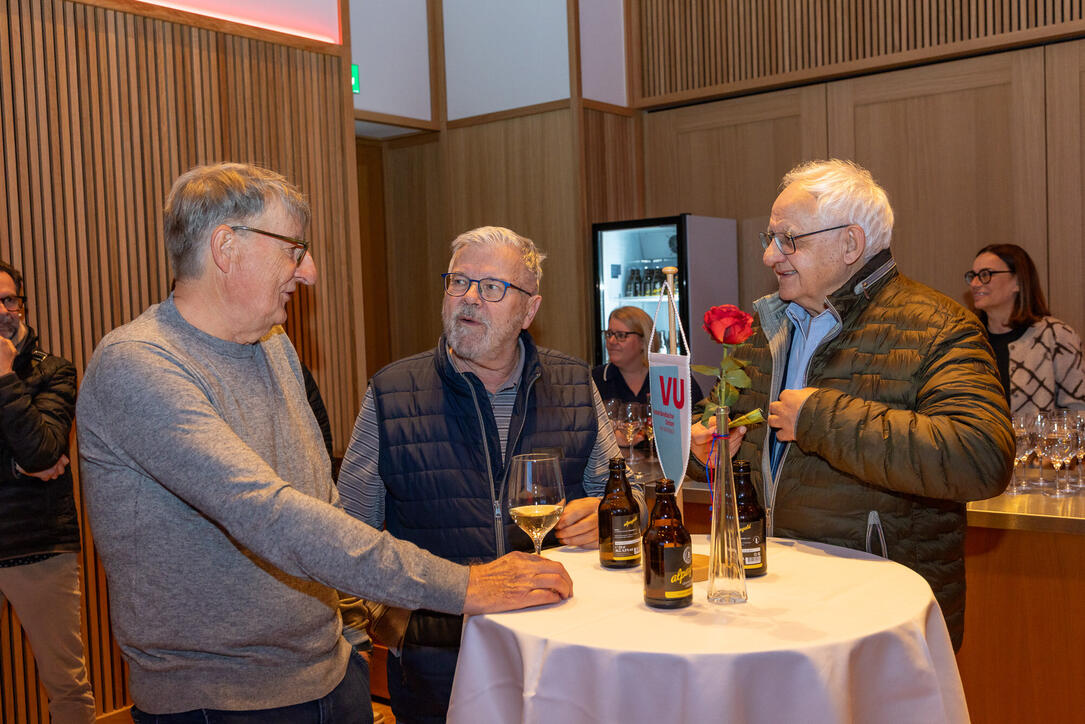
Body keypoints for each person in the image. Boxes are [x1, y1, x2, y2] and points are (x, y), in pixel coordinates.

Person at [75, 164, 573, 722]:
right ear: (226, 247)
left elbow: (324, 502)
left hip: (333, 676)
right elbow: (270, 515)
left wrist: (355, 636)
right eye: (293, 248)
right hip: (221, 704)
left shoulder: (273, 345)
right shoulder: (138, 366)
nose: (308, 271)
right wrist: (466, 585)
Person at [692, 159, 1014, 650]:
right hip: (767, 606)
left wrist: (821, 418)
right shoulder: (762, 329)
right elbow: (727, 427)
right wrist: (704, 444)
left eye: (788, 239)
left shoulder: (939, 327)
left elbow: (980, 457)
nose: (770, 256)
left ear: (850, 244)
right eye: (769, 238)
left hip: (878, 614)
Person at [337, 226, 638, 723]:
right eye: (458, 282)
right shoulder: (392, 393)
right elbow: (346, 534)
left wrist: (609, 515)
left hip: (559, 655)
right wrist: (391, 625)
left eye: (492, 287)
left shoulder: (573, 383)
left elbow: (625, 499)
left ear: (529, 310)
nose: (470, 298)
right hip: (436, 666)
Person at [0, 261, 96, 724]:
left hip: (38, 547)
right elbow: (30, 459)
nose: (3, 311)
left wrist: (3, 375)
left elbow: (42, 450)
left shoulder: (53, 371)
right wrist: (15, 465)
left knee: (67, 688)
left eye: (9, 300)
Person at [966, 243, 1085, 415]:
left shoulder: (1055, 335)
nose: (975, 283)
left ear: (1018, 282)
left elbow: (1079, 411)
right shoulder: (968, 339)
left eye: (985, 274)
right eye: (973, 276)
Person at [593, 305, 704, 405]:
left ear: (643, 340)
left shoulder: (673, 379)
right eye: (609, 334)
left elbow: (700, 421)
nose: (611, 341)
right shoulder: (596, 379)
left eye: (621, 335)